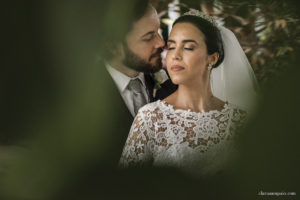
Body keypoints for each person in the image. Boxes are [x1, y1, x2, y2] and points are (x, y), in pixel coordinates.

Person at [119, 9, 258, 176]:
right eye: (171, 47)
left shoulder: (240, 122)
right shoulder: (150, 118)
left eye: (188, 47)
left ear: (212, 58)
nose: (175, 55)